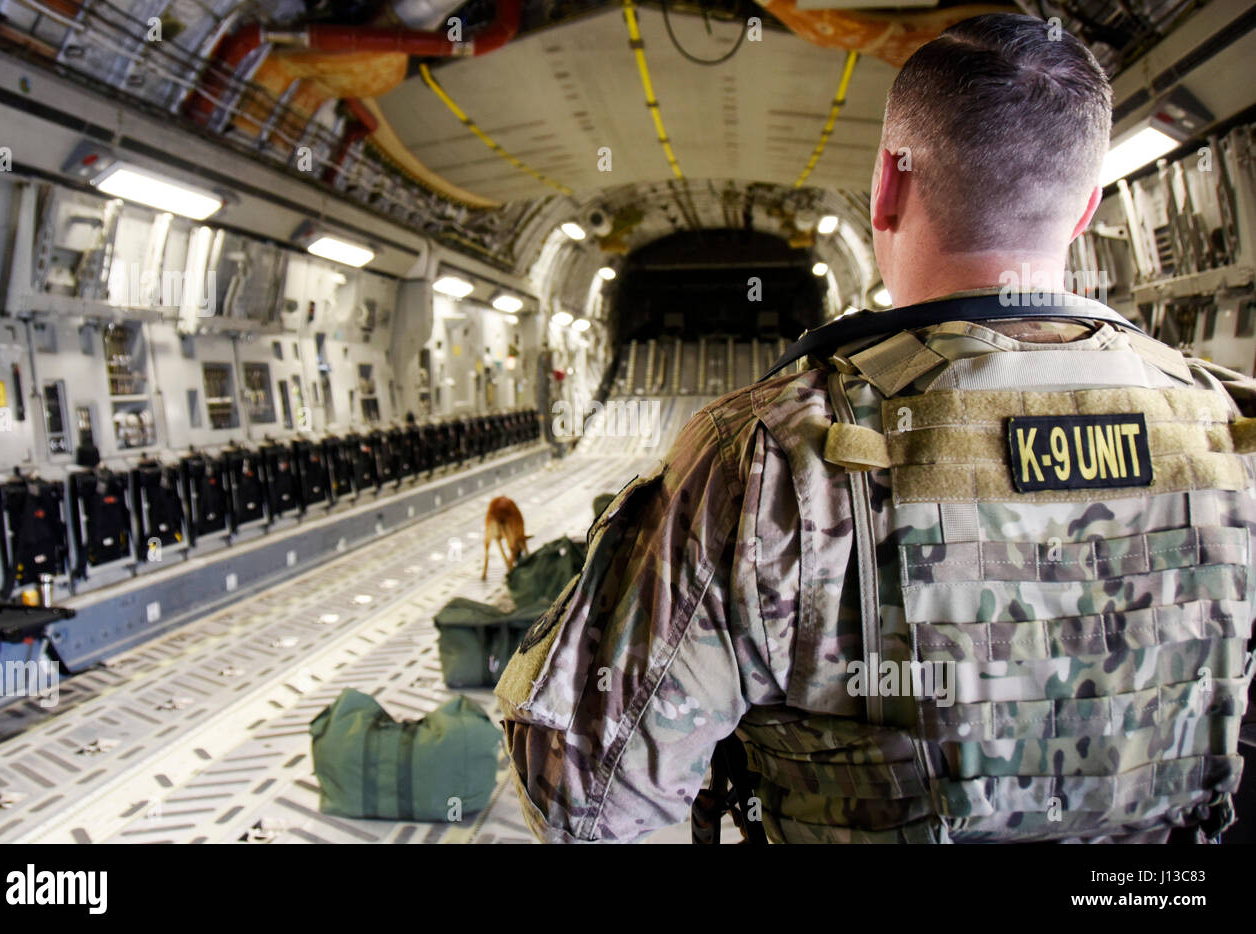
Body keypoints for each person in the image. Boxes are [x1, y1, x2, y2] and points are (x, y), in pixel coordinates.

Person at [496, 12, 1256, 843]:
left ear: (887, 188)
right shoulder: (1232, 427)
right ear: (1086, 211)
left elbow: (589, 803)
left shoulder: (772, 457)